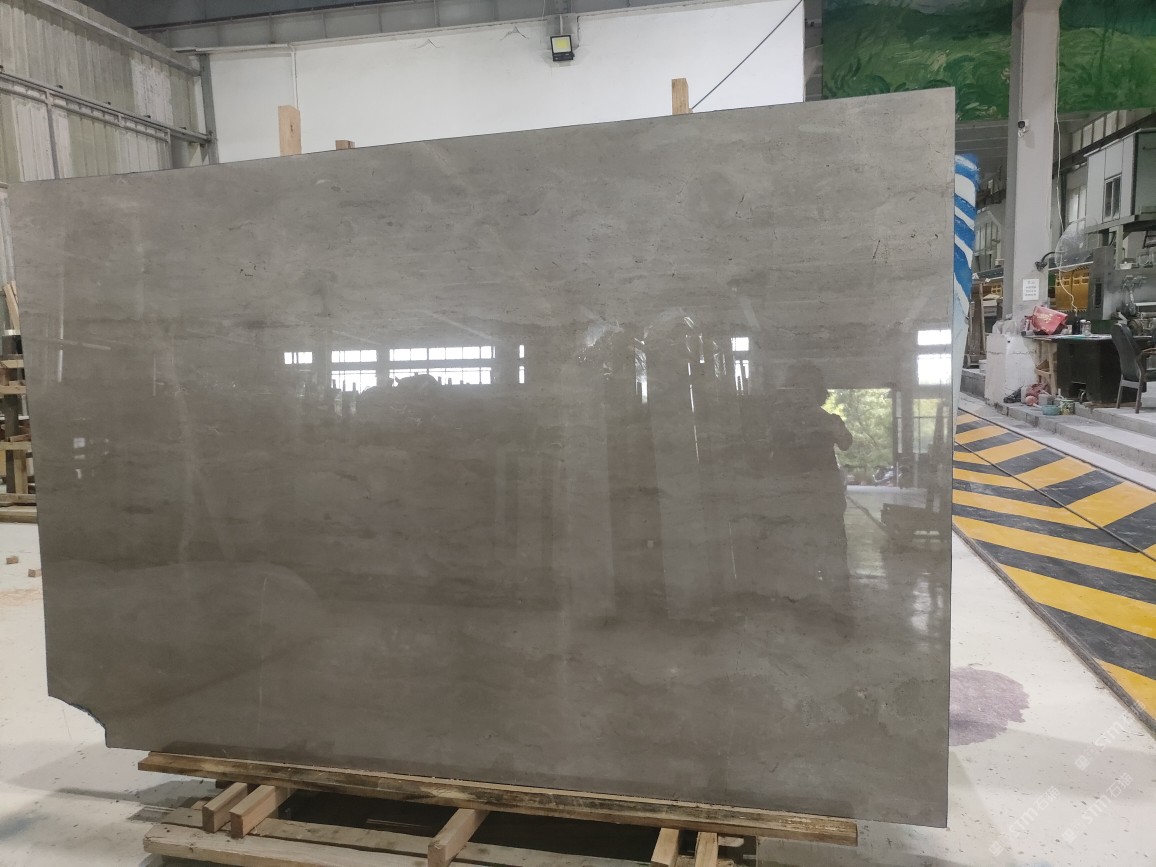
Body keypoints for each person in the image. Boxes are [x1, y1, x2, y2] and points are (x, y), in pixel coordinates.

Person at [767, 363, 853, 595]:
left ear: (818, 391)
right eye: (797, 387)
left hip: (824, 494)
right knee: (797, 552)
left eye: (809, 388)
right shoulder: (778, 420)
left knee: (832, 546)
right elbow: (768, 450)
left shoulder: (828, 419)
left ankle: (835, 593)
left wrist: (825, 420)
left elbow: (846, 442)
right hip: (793, 494)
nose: (803, 393)